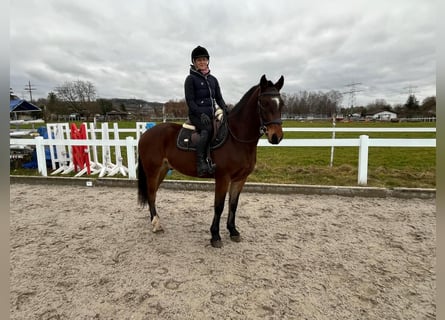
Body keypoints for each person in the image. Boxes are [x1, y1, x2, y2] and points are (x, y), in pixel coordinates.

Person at [184, 45, 228, 177]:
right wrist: (200, 113)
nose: (202, 62)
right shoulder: (190, 79)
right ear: (194, 62)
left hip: (211, 113)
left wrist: (225, 108)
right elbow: (190, 101)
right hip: (196, 114)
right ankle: (201, 163)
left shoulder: (213, 79)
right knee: (207, 129)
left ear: (208, 61)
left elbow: (219, 98)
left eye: (204, 59)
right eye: (199, 60)